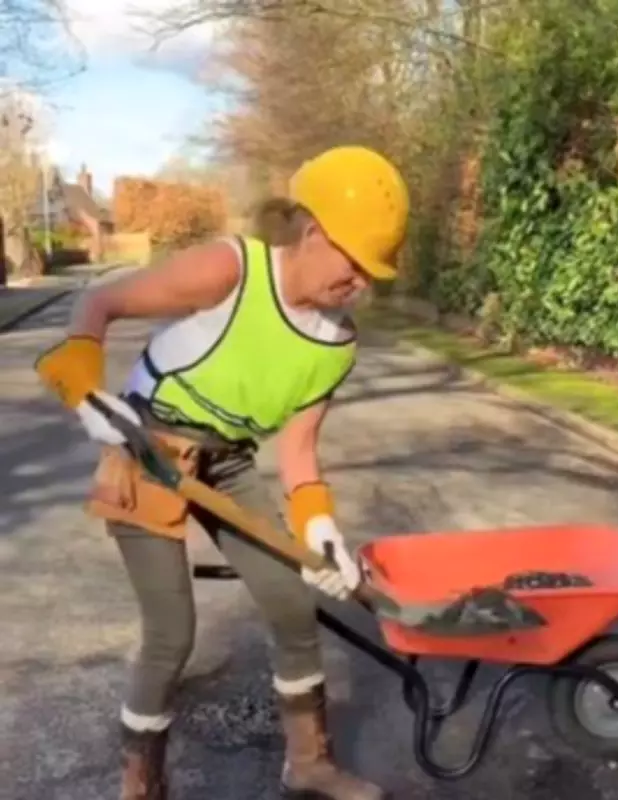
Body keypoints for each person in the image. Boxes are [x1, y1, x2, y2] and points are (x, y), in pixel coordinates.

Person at [33, 145, 410, 800]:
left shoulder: (335, 344)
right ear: (314, 232)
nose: (362, 284)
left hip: (227, 459)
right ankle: (141, 786)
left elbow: (298, 450)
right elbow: (96, 306)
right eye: (356, 264)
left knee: (294, 603)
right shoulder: (231, 271)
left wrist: (320, 531)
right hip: (146, 450)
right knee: (171, 631)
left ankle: (310, 762)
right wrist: (88, 392)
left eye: (373, 273)